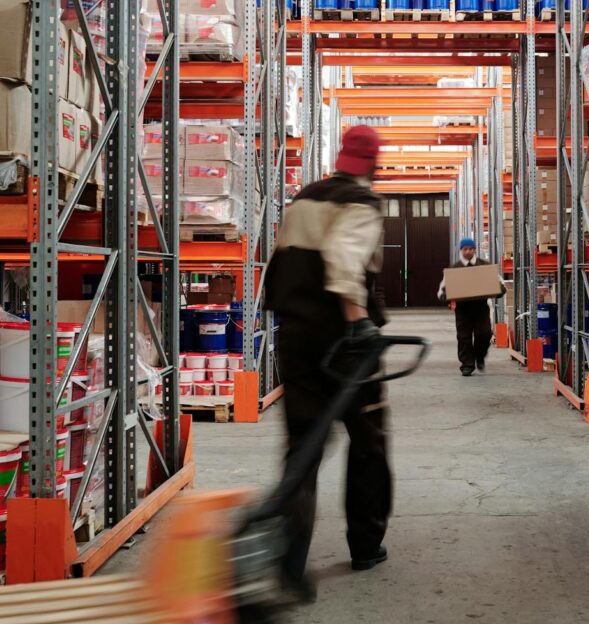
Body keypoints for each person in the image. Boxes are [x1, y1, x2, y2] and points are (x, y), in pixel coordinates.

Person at [264, 126, 392, 603]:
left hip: (296, 338)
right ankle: (366, 544)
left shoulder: (304, 197)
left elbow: (283, 261)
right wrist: (358, 322)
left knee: (303, 447)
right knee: (369, 442)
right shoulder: (362, 203)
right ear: (374, 164)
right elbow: (344, 261)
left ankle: (288, 561)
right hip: (344, 345)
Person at [437, 238, 501, 377]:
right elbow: (442, 290)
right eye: (465, 249)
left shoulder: (484, 266)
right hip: (463, 310)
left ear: (474, 250)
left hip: (481, 308)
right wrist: (445, 296)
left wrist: (499, 289)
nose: (468, 251)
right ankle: (467, 365)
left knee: (484, 334)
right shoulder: (455, 269)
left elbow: (499, 284)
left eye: (470, 249)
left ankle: (479, 357)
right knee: (464, 338)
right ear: (461, 250)